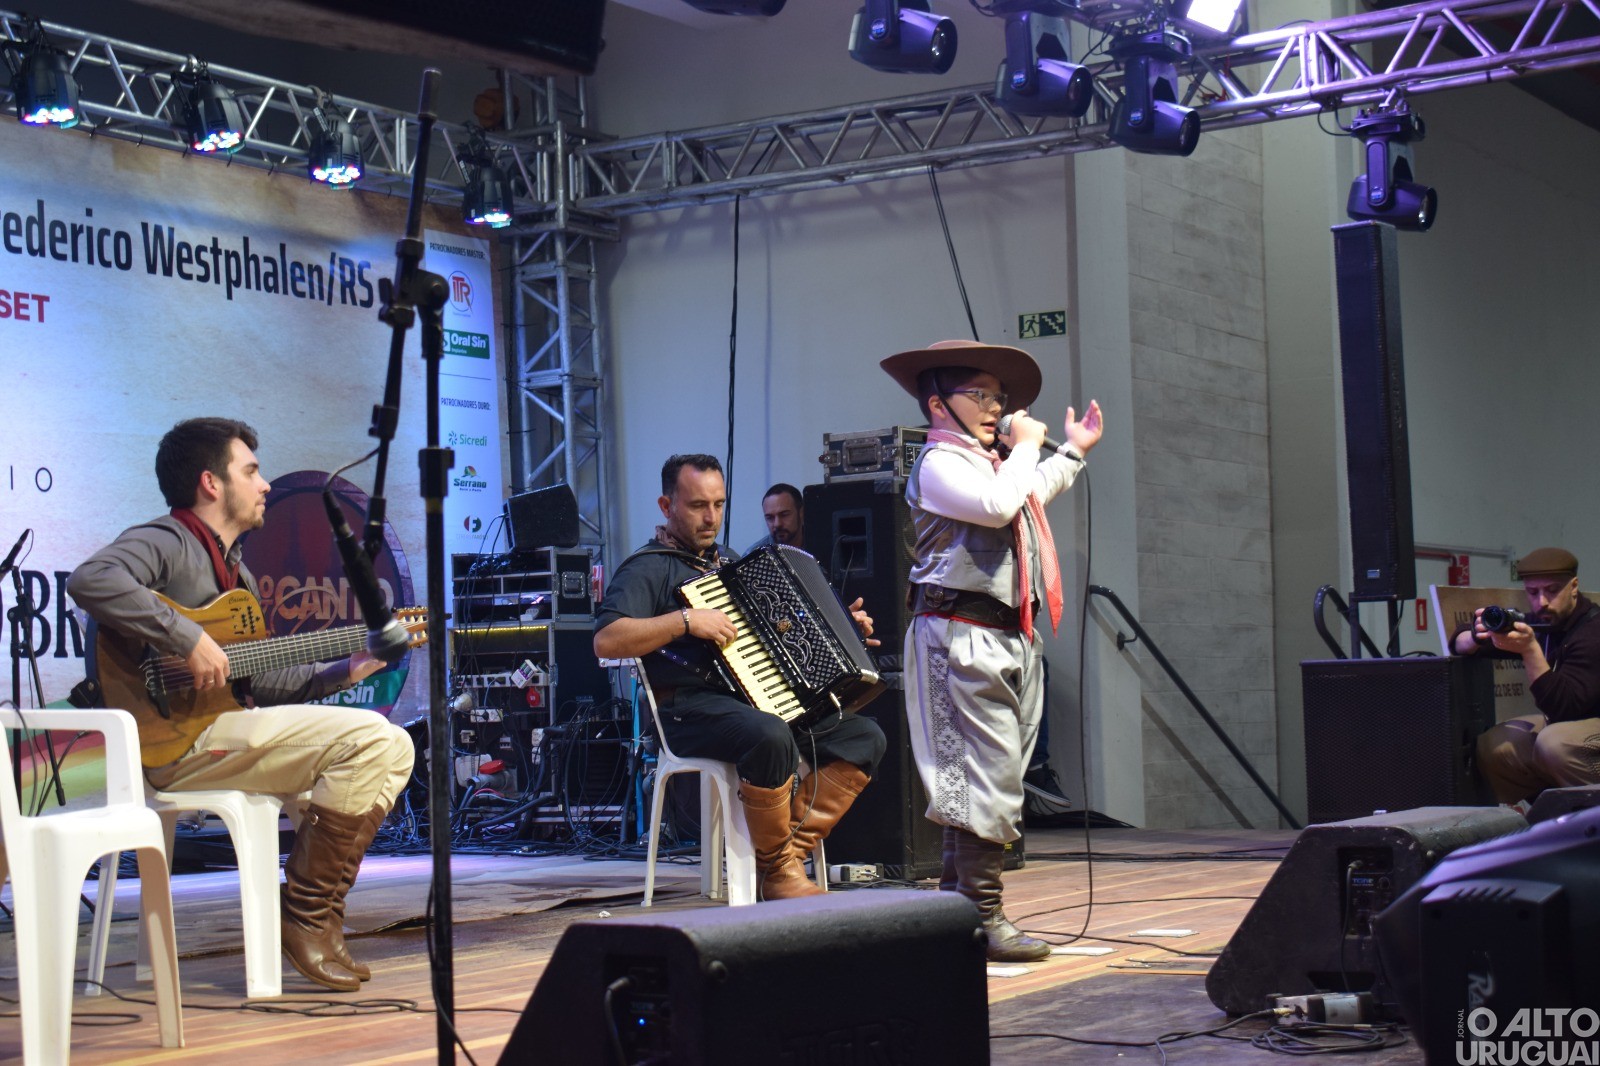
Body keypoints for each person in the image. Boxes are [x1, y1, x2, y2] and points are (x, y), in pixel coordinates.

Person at [68, 417, 415, 993]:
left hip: (223, 731)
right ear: (211, 483)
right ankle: (303, 916)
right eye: (250, 471)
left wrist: (350, 666)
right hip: (176, 744)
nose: (265, 485)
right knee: (373, 742)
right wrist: (186, 637)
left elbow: (257, 683)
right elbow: (92, 579)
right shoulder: (169, 541)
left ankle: (318, 914)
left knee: (391, 746)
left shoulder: (240, 575)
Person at [881, 339, 1104, 962]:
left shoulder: (987, 461)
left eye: (997, 397)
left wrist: (1073, 451)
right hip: (958, 635)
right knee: (986, 776)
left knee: (969, 781)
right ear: (937, 404)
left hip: (995, 634)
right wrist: (1027, 444)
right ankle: (980, 912)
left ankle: (957, 913)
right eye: (979, 394)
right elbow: (1001, 502)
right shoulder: (938, 464)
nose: (994, 407)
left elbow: (1027, 496)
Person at [593, 454, 886, 900]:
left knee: (865, 735)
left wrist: (843, 627)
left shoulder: (731, 562)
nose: (711, 517)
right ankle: (780, 875)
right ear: (665, 505)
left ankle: (782, 860)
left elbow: (780, 634)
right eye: (696, 506)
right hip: (688, 709)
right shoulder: (648, 567)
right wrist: (685, 621)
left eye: (719, 504)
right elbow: (607, 640)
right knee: (768, 735)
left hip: (754, 702)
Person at [1452, 547, 1600, 803]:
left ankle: (1588, 821)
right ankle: (1540, 821)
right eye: (1533, 592)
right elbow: (1458, 640)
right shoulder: (1546, 624)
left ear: (1574, 587)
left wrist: (1530, 650)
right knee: (1494, 745)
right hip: (1573, 724)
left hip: (1586, 720)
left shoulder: (1592, 632)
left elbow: (1565, 708)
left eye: (1552, 591)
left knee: (1555, 743)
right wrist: (1479, 635)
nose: (1542, 602)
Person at [745, 482, 805, 553]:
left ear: (801, 513)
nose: (777, 524)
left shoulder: (819, 544)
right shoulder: (755, 556)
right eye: (770, 518)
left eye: (784, 515)